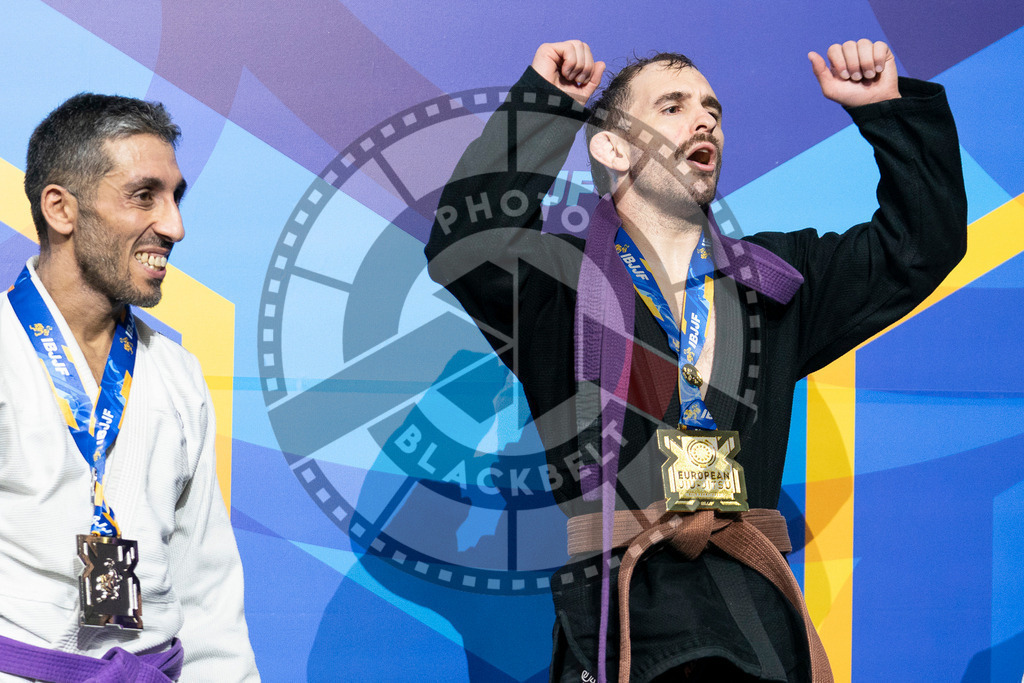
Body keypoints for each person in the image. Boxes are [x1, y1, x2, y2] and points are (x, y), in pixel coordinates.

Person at [426, 38, 966, 682]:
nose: (704, 119)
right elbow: (467, 243)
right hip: (624, 627)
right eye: (673, 107)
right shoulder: (556, 288)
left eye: (711, 108)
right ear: (613, 147)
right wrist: (544, 111)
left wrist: (889, 112)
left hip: (755, 630)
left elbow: (921, 245)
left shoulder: (776, 283)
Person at [0, 94, 259, 681]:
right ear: (61, 210)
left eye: (175, 199)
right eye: (144, 196)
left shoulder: (176, 372)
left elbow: (207, 583)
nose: (174, 226)